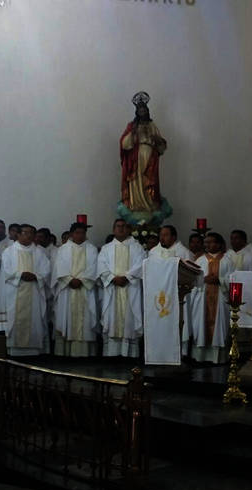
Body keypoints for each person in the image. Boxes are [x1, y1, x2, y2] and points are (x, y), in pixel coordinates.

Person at [97, 219, 145, 357]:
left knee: (130, 318)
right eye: (118, 226)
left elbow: (141, 264)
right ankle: (112, 353)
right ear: (113, 229)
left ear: (128, 229)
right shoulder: (106, 248)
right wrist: (113, 278)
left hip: (130, 287)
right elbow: (101, 265)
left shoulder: (137, 247)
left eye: (124, 226)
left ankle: (130, 354)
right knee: (112, 318)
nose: (121, 229)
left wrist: (127, 277)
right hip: (113, 288)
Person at [1, 224, 51, 356]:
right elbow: (5, 271)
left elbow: (46, 271)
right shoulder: (9, 251)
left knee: (35, 319)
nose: (28, 235)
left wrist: (36, 276)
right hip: (14, 292)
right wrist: (20, 275)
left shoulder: (39, 252)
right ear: (18, 234)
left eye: (31, 233)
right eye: (25, 232)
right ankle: (14, 351)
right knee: (13, 318)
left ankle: (33, 351)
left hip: (34, 291)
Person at [52, 222, 99, 357]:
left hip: (85, 289)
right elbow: (59, 267)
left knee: (86, 320)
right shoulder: (63, 249)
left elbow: (94, 267)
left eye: (83, 233)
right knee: (66, 318)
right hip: (67, 290)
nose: (80, 235)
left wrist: (82, 280)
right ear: (72, 234)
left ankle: (85, 353)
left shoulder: (91, 249)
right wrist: (69, 280)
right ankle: (65, 352)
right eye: (77, 233)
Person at [188, 232, 236, 363]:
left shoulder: (228, 261)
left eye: (211, 242)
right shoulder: (200, 261)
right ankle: (200, 356)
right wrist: (203, 279)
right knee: (201, 326)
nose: (207, 245)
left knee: (220, 327)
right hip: (202, 298)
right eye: (206, 242)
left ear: (219, 244)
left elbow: (234, 279)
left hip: (220, 298)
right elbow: (193, 280)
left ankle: (218, 358)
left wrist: (220, 280)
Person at [120, 91, 167, 213]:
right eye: (140, 110)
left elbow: (161, 146)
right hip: (135, 158)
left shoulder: (152, 125)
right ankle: (137, 204)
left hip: (150, 157)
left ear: (147, 111)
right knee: (136, 180)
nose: (142, 112)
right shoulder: (132, 126)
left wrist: (157, 140)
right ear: (137, 112)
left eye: (144, 110)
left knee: (149, 180)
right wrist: (133, 133)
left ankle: (149, 204)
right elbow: (124, 144)